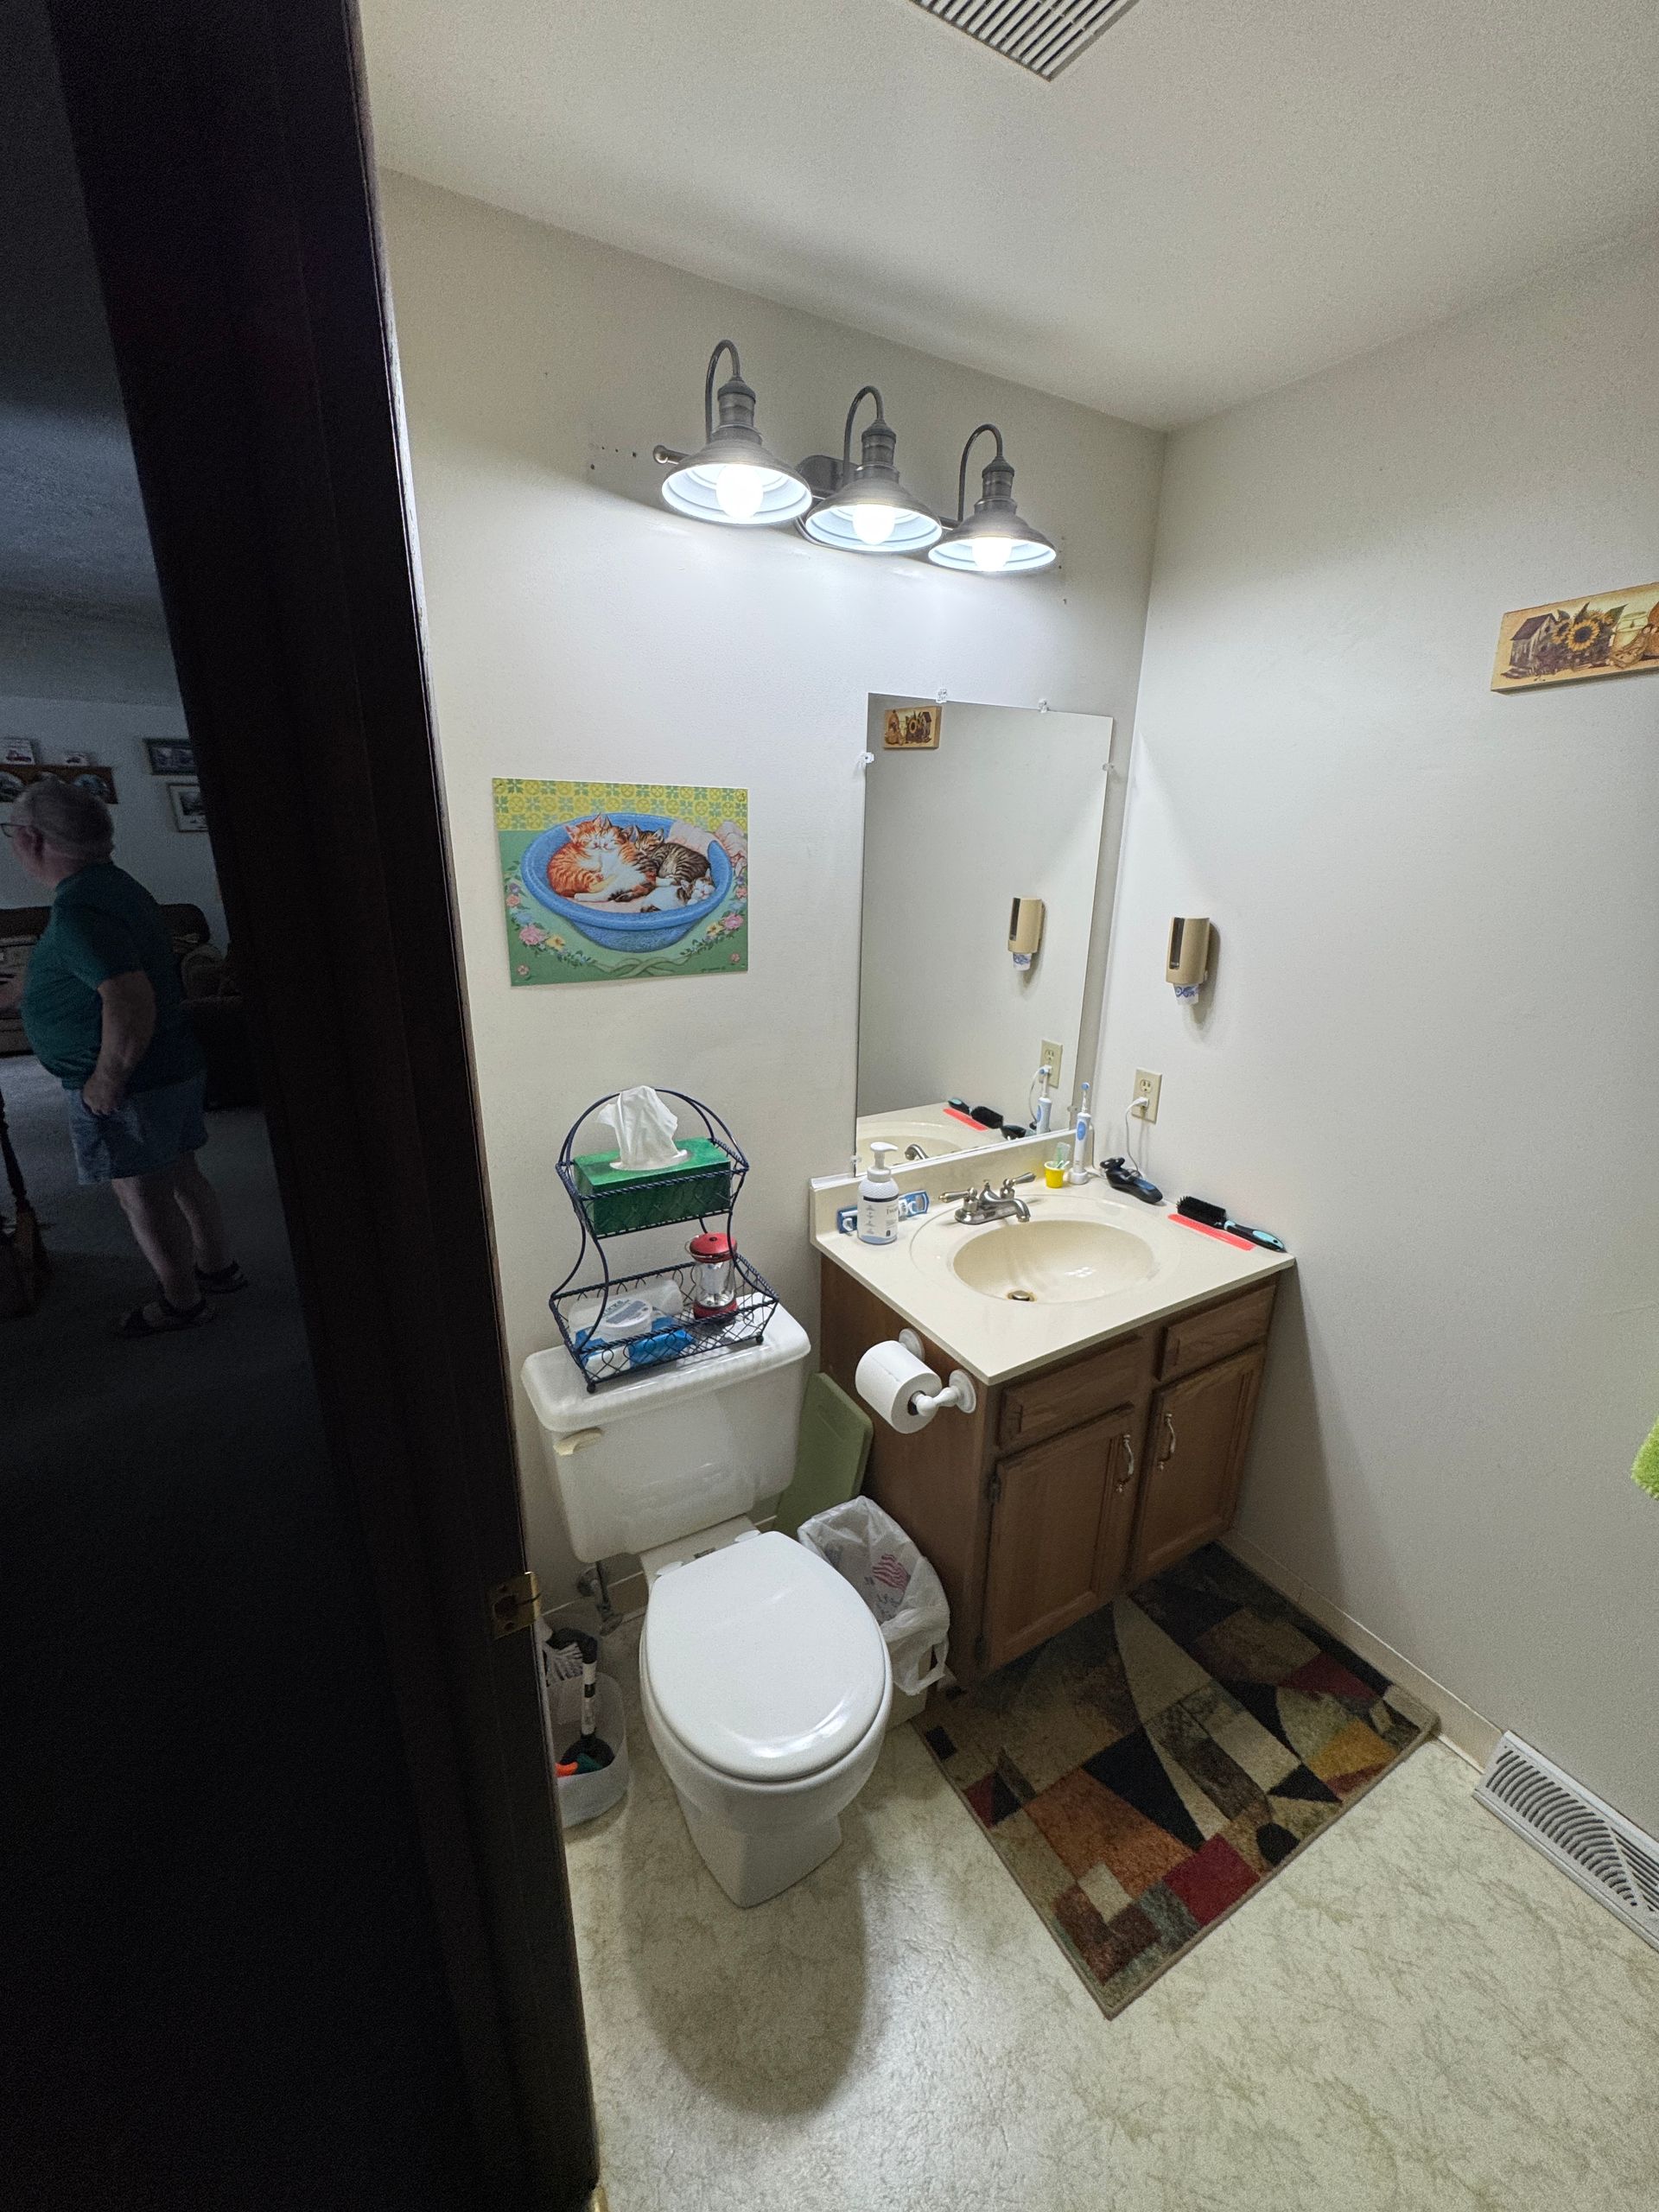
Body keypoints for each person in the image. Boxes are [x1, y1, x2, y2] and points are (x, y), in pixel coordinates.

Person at [0, 778, 245, 1335]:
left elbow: (130, 1000)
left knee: (140, 1193)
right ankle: (217, 1269)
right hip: (171, 1068)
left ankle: (182, 1303)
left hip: (135, 1084)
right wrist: (30, 992)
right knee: (183, 1172)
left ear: (33, 840)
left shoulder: (81, 912)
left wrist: (108, 1079)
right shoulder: (114, 888)